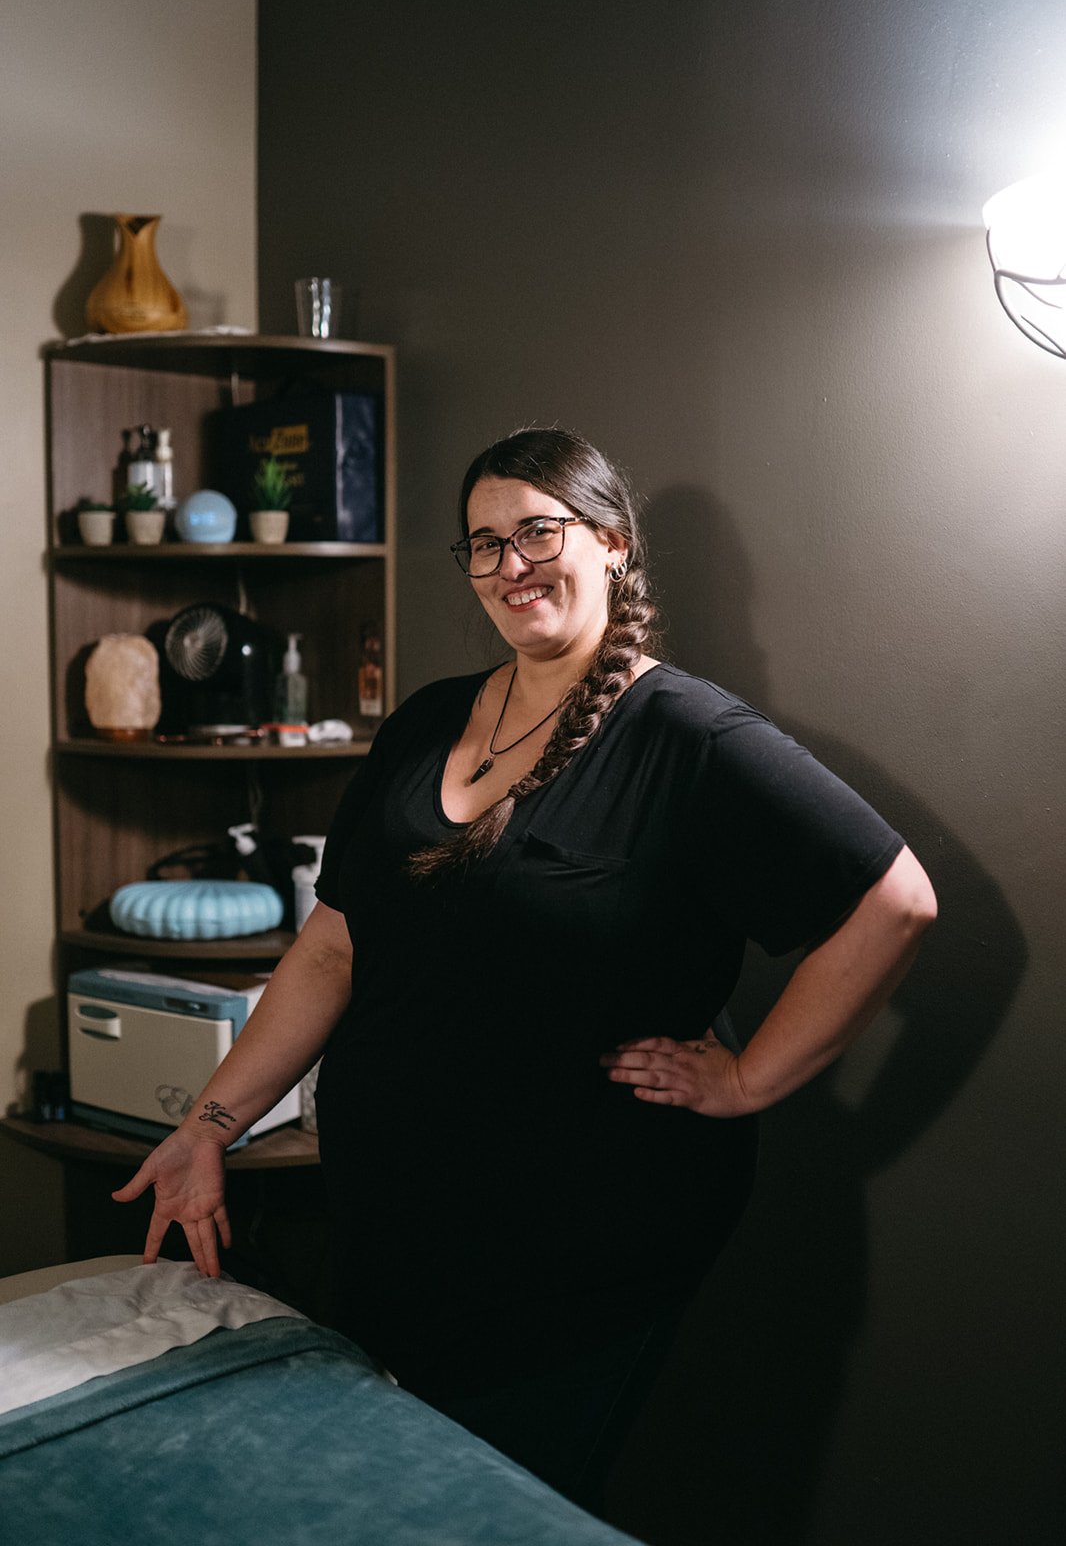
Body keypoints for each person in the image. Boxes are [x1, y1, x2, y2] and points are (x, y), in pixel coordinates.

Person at [114, 428, 936, 1513]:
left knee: (485, 1514)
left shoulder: (688, 737)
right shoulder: (426, 721)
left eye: (537, 531)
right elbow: (332, 944)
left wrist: (749, 1078)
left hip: (575, 1255)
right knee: (384, 1500)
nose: (510, 565)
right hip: (393, 1227)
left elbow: (895, 900)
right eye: (484, 544)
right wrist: (212, 1124)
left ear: (611, 545)